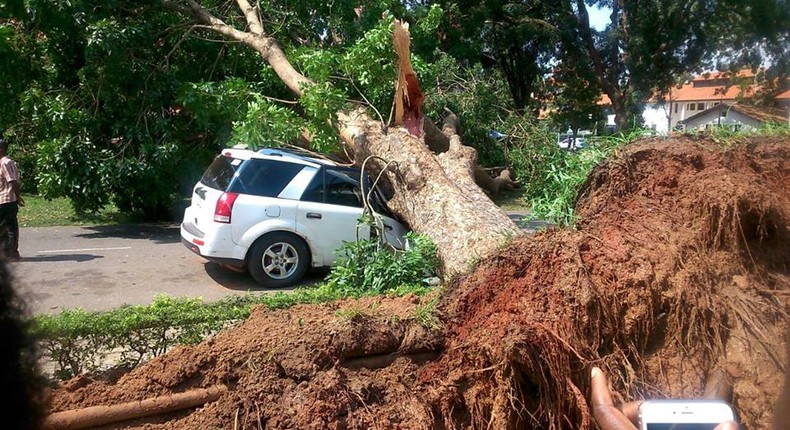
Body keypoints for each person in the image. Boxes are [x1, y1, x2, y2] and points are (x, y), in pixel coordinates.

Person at [0, 136, 24, 261]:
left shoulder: (5, 162)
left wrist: (18, 197)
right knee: (9, 227)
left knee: (9, 227)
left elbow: (13, 181)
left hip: (7, 200)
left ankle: (11, 253)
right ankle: (9, 253)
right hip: (5, 200)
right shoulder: (5, 162)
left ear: (2, 149)